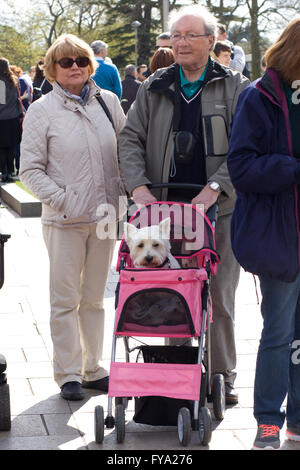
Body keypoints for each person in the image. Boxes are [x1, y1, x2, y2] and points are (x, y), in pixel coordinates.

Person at [119, 4, 249, 404]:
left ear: (212, 41)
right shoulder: (155, 84)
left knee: (219, 297)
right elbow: (129, 140)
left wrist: (215, 187)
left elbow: (247, 146)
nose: (181, 43)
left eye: (190, 35)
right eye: (175, 36)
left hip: (218, 211)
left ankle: (222, 374)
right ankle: (174, 372)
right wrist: (139, 188)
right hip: (162, 214)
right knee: (167, 292)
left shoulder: (236, 86)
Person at [19, 34, 126, 401]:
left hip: (106, 217)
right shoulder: (41, 110)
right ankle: (68, 374)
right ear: (52, 69)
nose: (75, 67)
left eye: (81, 60)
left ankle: (92, 368)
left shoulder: (109, 102)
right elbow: (29, 170)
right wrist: (64, 200)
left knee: (95, 299)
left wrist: (128, 195)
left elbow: (125, 154)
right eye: (66, 62)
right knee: (64, 300)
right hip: (64, 219)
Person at [227, 17, 300, 450]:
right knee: (279, 333)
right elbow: (242, 166)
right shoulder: (259, 97)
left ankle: (296, 422)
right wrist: (294, 169)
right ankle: (268, 424)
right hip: (278, 234)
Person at [0, 58, 23, 182]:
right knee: (11, 147)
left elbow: (1, 102)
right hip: (13, 118)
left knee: (2, 148)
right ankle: (11, 171)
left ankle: (4, 172)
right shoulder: (14, 80)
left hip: (2, 118)